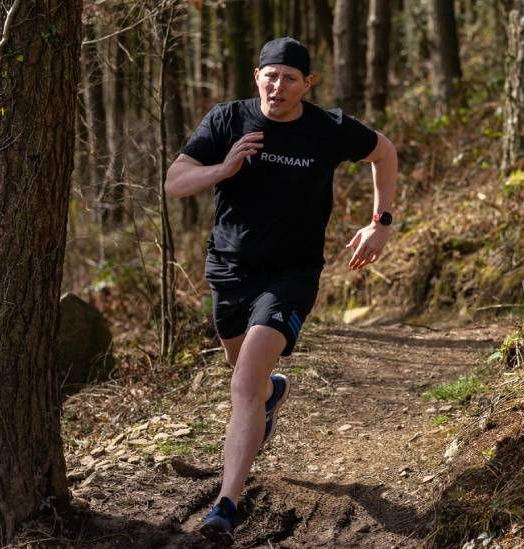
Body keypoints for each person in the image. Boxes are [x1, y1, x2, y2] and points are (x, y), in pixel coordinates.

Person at [165, 36, 398, 544]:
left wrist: (380, 221)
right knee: (246, 374)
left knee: (245, 378)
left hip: (291, 275)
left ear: (307, 84)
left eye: (290, 78)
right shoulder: (228, 120)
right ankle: (272, 395)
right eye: (271, 76)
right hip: (228, 270)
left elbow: (384, 152)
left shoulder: (328, 128)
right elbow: (175, 181)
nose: (279, 86)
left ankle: (225, 505)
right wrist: (223, 169)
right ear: (257, 77)